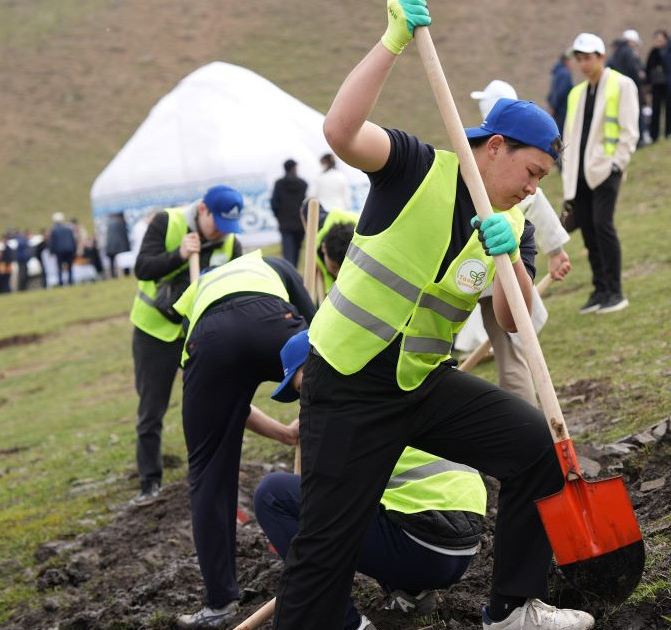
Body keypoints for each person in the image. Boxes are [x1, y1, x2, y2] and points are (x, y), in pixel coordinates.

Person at [273, 2, 595, 628]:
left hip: (421, 383)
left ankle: (512, 610)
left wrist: (512, 260)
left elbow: (510, 316)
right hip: (346, 383)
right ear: (495, 147)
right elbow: (340, 133)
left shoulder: (517, 217)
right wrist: (392, 41)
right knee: (323, 548)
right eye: (531, 172)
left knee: (535, 444)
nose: (535, 188)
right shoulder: (413, 168)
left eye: (543, 179)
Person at [254, 330, 487, 630]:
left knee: (272, 494)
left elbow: (323, 511)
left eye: (303, 388)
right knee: (368, 497)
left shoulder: (342, 412)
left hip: (422, 546)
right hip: (461, 548)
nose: (305, 400)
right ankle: (411, 593)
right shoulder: (387, 381)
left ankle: (344, 622)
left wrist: (296, 545)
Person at [170, 251, 315, 629]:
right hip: (272, 319)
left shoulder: (196, 294)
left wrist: (283, 432)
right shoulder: (270, 263)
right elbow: (323, 334)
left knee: (207, 471)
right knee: (339, 410)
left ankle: (219, 603)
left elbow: (224, 409)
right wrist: (314, 400)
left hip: (211, 340)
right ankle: (342, 545)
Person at [128, 186, 246, 506]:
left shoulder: (232, 243)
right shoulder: (168, 223)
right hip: (155, 332)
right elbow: (142, 268)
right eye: (218, 222)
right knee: (152, 410)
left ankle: (216, 472)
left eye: (229, 225)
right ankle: (149, 483)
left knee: (214, 402)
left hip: (199, 335)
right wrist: (178, 255)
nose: (223, 231)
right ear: (204, 210)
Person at [471, 80, 573, 403]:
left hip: (502, 277)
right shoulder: (480, 172)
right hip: (477, 280)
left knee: (512, 354)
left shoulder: (521, 174)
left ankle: (527, 422)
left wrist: (556, 252)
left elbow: (538, 211)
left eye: (537, 176)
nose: (529, 186)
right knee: (513, 352)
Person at [563, 32, 641, 315]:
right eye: (579, 58)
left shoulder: (622, 85)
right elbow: (570, 134)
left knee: (603, 227)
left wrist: (617, 165)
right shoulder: (577, 93)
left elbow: (629, 131)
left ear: (601, 57)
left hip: (605, 171)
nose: (583, 64)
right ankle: (600, 290)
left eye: (588, 58)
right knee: (589, 232)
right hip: (579, 174)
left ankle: (615, 291)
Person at [272, 159, 309, 264]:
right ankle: (294, 271)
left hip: (285, 224)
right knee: (296, 250)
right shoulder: (303, 184)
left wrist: (279, 217)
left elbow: (274, 203)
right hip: (299, 223)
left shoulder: (279, 184)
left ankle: (289, 271)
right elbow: (306, 203)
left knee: (288, 251)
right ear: (294, 168)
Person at [645, 30, 671, 143]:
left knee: (669, 109)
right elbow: (648, 68)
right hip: (656, 85)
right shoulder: (653, 52)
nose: (659, 42)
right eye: (657, 40)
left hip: (668, 84)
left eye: (661, 39)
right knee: (655, 110)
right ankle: (654, 135)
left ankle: (668, 133)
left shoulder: (669, 51)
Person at [545, 54, 574, 131]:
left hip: (557, 110)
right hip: (562, 111)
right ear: (567, 61)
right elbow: (560, 92)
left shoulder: (558, 72)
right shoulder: (564, 74)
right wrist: (554, 106)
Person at [49, 213, 78, 286]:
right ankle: (70, 281)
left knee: (59, 267)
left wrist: (51, 251)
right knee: (70, 266)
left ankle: (61, 282)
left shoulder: (54, 230)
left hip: (59, 251)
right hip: (69, 250)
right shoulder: (68, 228)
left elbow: (52, 242)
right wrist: (74, 249)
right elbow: (73, 240)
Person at [105, 213, 131, 278]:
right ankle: (126, 273)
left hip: (111, 245)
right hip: (121, 245)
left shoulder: (109, 223)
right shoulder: (121, 222)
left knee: (112, 262)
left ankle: (113, 275)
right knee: (125, 260)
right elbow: (125, 234)